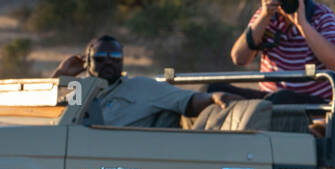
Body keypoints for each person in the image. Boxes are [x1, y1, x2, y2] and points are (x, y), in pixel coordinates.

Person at [222, 0, 335, 104]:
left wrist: (302, 24)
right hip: (269, 99)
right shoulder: (265, 16)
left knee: (281, 97)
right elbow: (239, 58)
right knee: (214, 90)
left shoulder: (321, 15)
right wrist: (264, 16)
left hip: (314, 103)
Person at [51, 35, 234, 127]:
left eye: (115, 57)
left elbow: (187, 101)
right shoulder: (78, 91)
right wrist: (61, 74)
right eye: (100, 57)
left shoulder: (142, 87)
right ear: (87, 62)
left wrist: (212, 98)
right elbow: (44, 113)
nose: (108, 62)